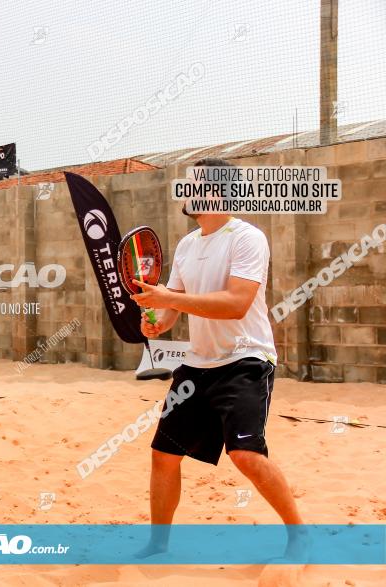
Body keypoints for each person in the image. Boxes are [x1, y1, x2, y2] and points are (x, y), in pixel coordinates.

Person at [130, 157, 306, 559]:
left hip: (246, 359)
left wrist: (168, 299)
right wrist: (158, 320)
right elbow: (173, 304)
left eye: (194, 183)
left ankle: (299, 535)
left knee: (245, 454)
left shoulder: (247, 238)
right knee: (164, 454)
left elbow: (236, 303)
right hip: (199, 364)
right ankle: (158, 544)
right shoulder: (188, 244)